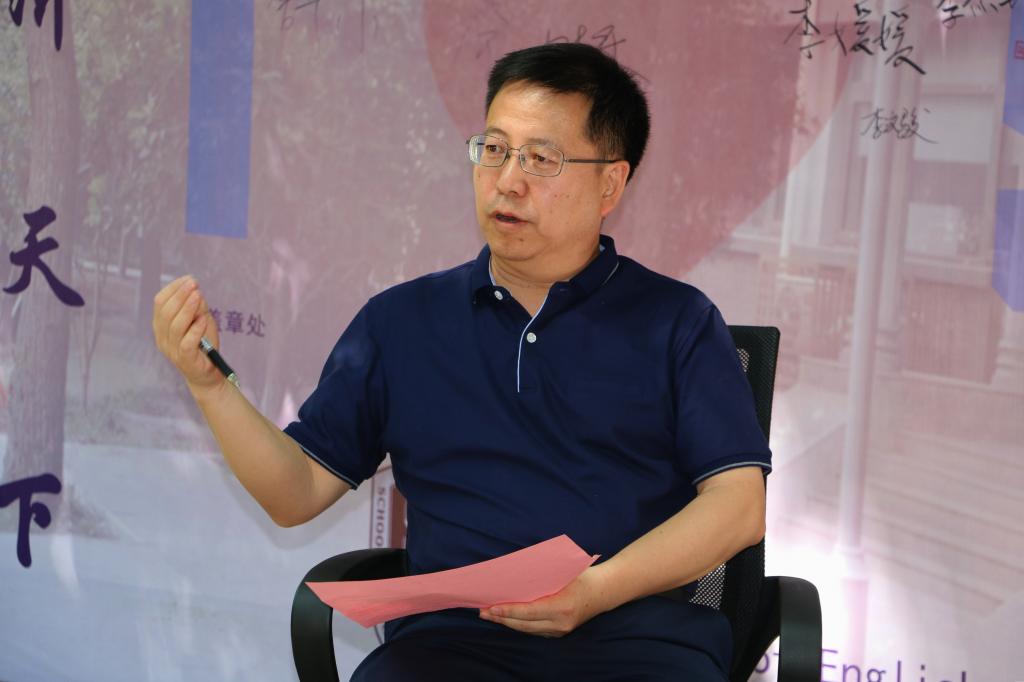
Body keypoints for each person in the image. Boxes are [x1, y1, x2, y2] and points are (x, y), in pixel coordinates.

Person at [152, 43, 770, 681]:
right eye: (494, 149)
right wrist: (212, 388)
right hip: (450, 648)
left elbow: (738, 503)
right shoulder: (401, 323)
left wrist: (596, 591)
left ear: (609, 183)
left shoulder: (677, 322)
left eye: (541, 158)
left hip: (637, 642)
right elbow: (298, 491)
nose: (508, 180)